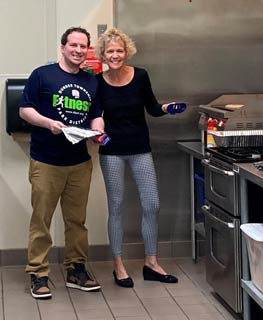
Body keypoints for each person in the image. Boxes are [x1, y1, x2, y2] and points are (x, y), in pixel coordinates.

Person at [95, 27, 185, 288]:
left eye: (119, 50)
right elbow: (97, 115)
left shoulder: (140, 76)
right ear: (103, 54)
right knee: (117, 207)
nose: (115, 55)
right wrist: (97, 131)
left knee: (152, 204)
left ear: (127, 52)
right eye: (110, 51)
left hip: (139, 149)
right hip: (112, 151)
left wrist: (166, 108)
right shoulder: (98, 82)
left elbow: (153, 108)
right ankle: (119, 265)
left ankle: (151, 263)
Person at [19, 26, 104, 299]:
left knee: (77, 221)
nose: (78, 50)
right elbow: (25, 109)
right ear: (63, 47)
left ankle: (76, 269)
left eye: (83, 46)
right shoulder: (42, 75)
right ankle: (38, 273)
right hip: (46, 161)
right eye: (74, 45)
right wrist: (49, 123)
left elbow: (96, 114)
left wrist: (99, 131)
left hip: (80, 162)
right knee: (41, 220)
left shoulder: (92, 81)